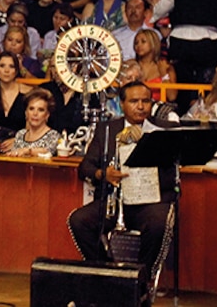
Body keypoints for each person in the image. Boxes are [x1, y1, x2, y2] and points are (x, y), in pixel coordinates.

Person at [67, 81, 176, 288]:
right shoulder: (106, 129)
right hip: (114, 201)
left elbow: (173, 172)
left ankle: (140, 280)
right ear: (122, 103)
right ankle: (107, 273)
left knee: (159, 223)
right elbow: (85, 168)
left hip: (151, 202)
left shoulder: (166, 129)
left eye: (146, 101)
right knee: (78, 220)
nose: (141, 106)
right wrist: (102, 174)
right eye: (134, 101)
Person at [7, 89, 62, 157]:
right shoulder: (20, 134)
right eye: (31, 109)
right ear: (26, 113)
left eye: (40, 110)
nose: (35, 113)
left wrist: (27, 151)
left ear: (47, 115)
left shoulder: (54, 136)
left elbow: (47, 152)